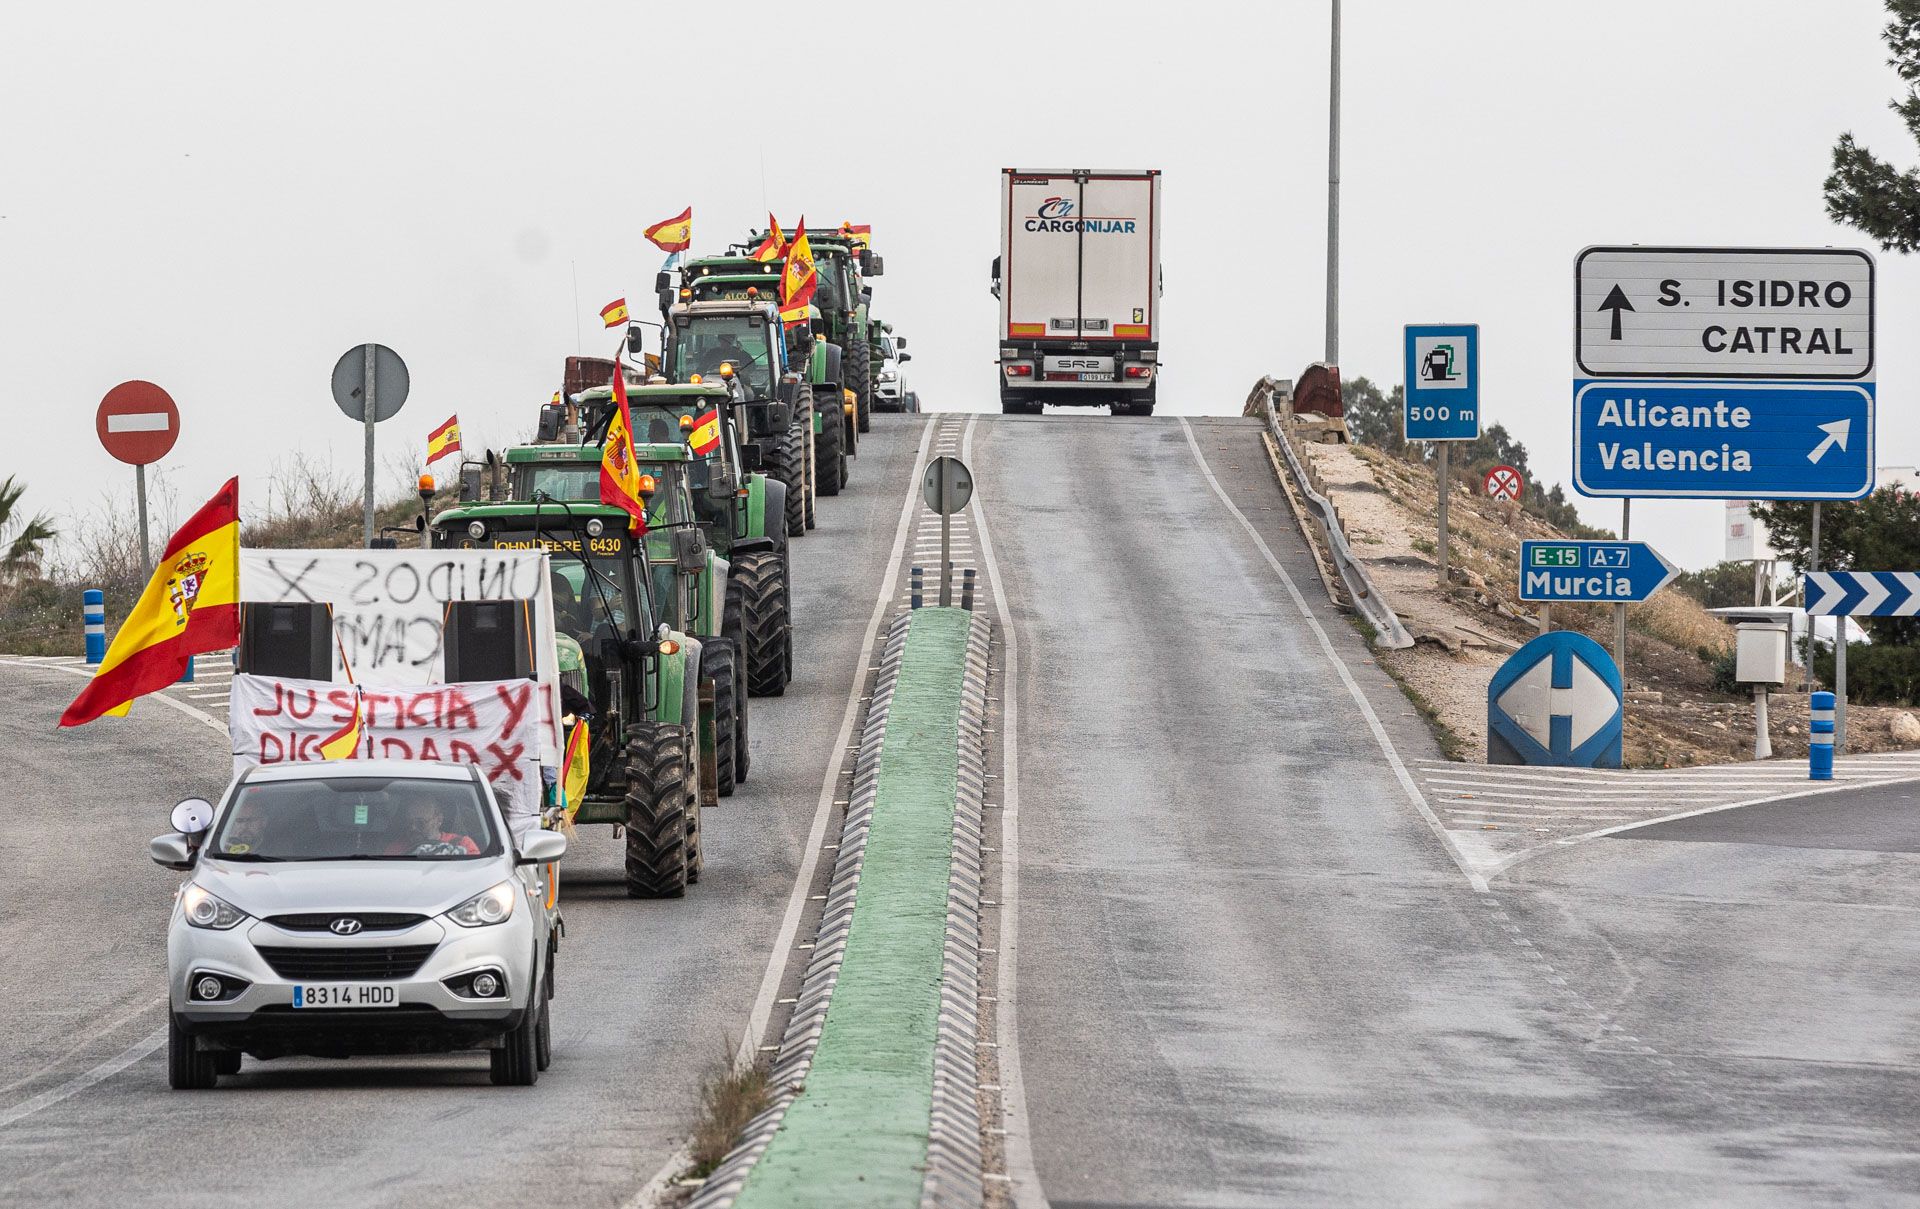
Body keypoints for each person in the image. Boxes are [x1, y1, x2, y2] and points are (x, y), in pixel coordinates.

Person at [386, 798, 479, 856]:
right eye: (409, 822)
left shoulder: (462, 844)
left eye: (420, 822)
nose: (413, 828)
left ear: (439, 820)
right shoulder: (397, 849)